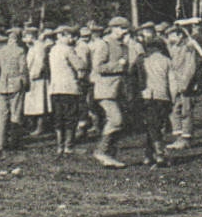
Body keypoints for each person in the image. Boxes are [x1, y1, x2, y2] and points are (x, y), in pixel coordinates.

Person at [89, 16, 134, 168]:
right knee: (116, 120)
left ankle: (110, 156)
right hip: (105, 90)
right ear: (113, 28)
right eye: (122, 28)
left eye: (126, 29)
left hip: (119, 90)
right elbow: (99, 67)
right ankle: (101, 151)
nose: (125, 32)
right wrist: (118, 65)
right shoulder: (104, 44)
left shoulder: (124, 46)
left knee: (119, 123)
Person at [48, 26, 88, 155]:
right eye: (69, 36)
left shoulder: (53, 50)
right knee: (70, 117)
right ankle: (69, 146)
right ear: (62, 36)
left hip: (55, 88)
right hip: (69, 88)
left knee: (59, 117)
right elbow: (81, 65)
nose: (71, 39)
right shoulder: (68, 50)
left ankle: (60, 146)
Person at [0, 26, 29, 158]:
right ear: (17, 38)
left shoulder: (0, 51)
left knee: (2, 115)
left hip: (2, 85)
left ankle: (0, 143)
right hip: (16, 84)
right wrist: (26, 84)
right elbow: (23, 69)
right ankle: (14, 141)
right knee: (16, 113)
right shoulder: (20, 51)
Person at [139, 35, 174, 166]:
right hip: (162, 96)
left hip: (147, 96)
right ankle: (158, 154)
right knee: (156, 126)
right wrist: (173, 98)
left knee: (151, 126)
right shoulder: (167, 61)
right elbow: (173, 83)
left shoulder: (144, 61)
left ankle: (150, 155)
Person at [167, 28, 202, 150]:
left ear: (179, 35)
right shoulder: (173, 47)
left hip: (185, 85)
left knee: (186, 111)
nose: (169, 38)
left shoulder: (188, 47)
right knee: (174, 110)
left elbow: (190, 67)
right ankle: (178, 137)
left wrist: (185, 84)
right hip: (174, 84)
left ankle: (186, 138)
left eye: (171, 34)